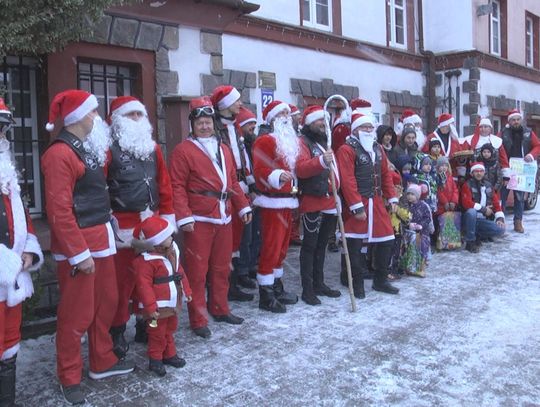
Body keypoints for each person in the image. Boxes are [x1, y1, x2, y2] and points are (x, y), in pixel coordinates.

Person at [41, 90, 134, 405]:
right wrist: (79, 255)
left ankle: (102, 359)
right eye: (93, 112)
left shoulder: (88, 148)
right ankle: (69, 375)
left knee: (106, 303)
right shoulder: (59, 154)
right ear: (78, 116)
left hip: (100, 239)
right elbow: (59, 210)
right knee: (75, 315)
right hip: (80, 246)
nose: (97, 118)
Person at [169, 96, 251, 338]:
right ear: (192, 125)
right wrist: (184, 217)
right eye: (199, 123)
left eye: (207, 122)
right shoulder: (183, 151)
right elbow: (177, 186)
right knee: (197, 271)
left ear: (213, 123)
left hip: (224, 215)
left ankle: (220, 307)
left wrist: (243, 206)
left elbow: (233, 182)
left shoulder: (223, 148)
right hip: (199, 218)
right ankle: (198, 318)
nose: (204, 126)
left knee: (221, 267)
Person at [104, 96, 175, 357]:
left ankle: (147, 322)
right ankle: (117, 331)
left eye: (138, 115)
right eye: (130, 115)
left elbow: (164, 185)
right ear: (117, 120)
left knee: (152, 279)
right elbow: (102, 190)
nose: (136, 119)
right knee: (123, 285)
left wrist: (168, 218)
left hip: (153, 224)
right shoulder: (108, 150)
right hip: (124, 226)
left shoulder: (153, 149)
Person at [0, 98, 44, 406]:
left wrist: (28, 251)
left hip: (11, 277)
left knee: (9, 342)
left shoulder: (7, 175)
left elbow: (22, 217)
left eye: (2, 131)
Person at [336, 112, 400, 299]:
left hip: (377, 202)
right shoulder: (346, 150)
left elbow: (385, 175)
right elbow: (347, 180)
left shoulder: (378, 148)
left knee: (387, 240)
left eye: (371, 127)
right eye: (365, 127)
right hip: (357, 202)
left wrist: (392, 197)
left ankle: (380, 280)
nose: (369, 130)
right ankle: (355, 282)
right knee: (354, 243)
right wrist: (356, 206)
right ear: (355, 129)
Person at [252, 100, 300, 313]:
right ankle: (266, 294)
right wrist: (277, 175)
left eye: (287, 114)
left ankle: (277, 287)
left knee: (282, 249)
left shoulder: (291, 141)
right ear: (272, 118)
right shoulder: (265, 141)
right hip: (272, 202)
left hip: (288, 201)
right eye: (281, 114)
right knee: (271, 247)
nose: (285, 117)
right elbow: (260, 169)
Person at [133, 216, 192, 377]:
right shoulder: (146, 262)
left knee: (170, 329)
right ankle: (155, 359)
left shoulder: (171, 253)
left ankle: (169, 354)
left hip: (172, 304)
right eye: (167, 236)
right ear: (156, 242)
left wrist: (187, 291)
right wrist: (150, 308)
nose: (172, 238)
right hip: (155, 309)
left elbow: (180, 272)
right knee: (155, 332)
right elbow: (143, 287)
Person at [211, 86, 255, 301]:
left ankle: (235, 280)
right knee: (227, 242)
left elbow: (242, 158)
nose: (240, 104)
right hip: (227, 189)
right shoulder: (215, 129)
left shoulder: (234, 127)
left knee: (238, 239)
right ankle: (225, 286)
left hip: (240, 187)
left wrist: (250, 183)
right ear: (226, 104)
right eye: (236, 101)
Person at [296, 105, 341, 305]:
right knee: (310, 246)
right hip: (313, 199)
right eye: (317, 121)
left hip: (329, 200)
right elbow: (301, 169)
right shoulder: (303, 142)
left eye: (323, 120)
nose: (322, 124)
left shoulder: (326, 141)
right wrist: (321, 161)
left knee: (322, 245)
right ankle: (307, 288)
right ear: (308, 124)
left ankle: (319, 283)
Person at [499, 109, 540, 233]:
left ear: (520, 120)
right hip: (506, 168)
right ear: (509, 121)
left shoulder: (528, 132)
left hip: (522, 168)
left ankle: (518, 222)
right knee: (502, 196)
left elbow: (538, 146)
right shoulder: (502, 133)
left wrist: (531, 155)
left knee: (519, 197)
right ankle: (500, 222)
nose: (515, 122)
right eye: (513, 120)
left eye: (517, 119)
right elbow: (496, 146)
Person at [234, 107, 260, 284]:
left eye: (254, 123)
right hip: (241, 194)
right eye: (249, 123)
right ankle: (242, 270)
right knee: (245, 235)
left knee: (253, 234)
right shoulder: (239, 144)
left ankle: (250, 265)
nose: (253, 127)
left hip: (251, 193)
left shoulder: (250, 144)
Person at [460, 162, 505, 253]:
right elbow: (466, 203)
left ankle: (478, 234)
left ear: (484, 172)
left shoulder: (488, 185)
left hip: (482, 220)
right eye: (476, 171)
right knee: (472, 212)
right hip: (468, 219)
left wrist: (500, 218)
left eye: (481, 171)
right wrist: (483, 209)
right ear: (472, 173)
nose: (479, 173)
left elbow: (496, 203)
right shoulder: (467, 185)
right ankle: (470, 241)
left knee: (501, 229)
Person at [401, 184, 433, 277]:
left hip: (422, 232)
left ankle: (420, 266)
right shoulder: (405, 206)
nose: (410, 196)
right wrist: (408, 225)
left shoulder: (423, 206)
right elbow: (403, 218)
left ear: (418, 195)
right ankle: (408, 265)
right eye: (408, 194)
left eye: (412, 194)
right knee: (408, 246)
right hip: (408, 231)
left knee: (421, 245)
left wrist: (421, 225)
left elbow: (428, 218)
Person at [434, 156, 461, 250]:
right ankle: (442, 242)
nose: (444, 167)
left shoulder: (450, 177)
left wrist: (454, 201)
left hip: (451, 205)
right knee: (442, 223)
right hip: (441, 207)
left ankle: (452, 241)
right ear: (437, 167)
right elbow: (438, 191)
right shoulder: (437, 178)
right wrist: (445, 202)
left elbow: (455, 190)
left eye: (446, 165)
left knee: (451, 222)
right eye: (441, 166)